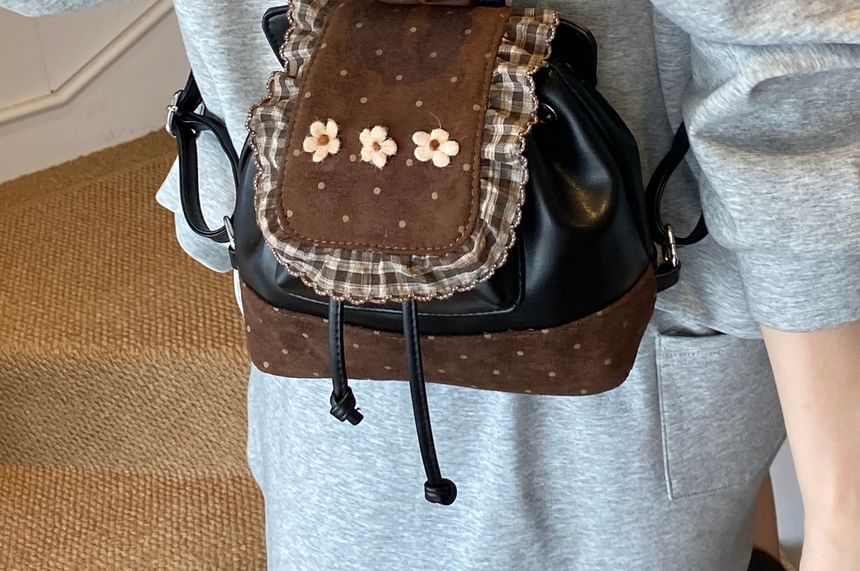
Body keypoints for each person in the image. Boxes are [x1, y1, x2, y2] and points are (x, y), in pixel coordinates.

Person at [4, 0, 858, 569]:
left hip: (609, 370)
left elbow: (789, 69)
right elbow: (788, 75)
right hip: (335, 326)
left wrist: (840, 509)